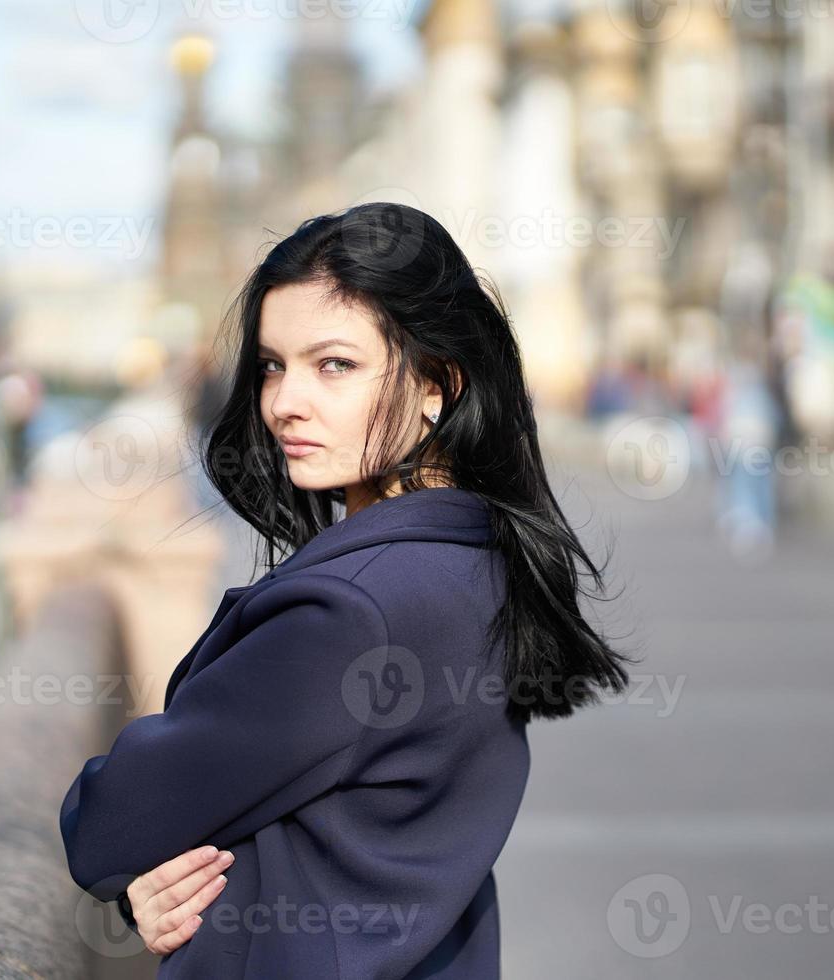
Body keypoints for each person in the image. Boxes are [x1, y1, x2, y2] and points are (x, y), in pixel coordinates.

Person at [58, 203, 635, 978]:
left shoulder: (352, 611)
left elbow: (107, 822)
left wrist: (140, 866)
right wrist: (151, 888)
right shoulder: (477, 558)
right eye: (271, 365)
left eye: (334, 365)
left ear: (437, 383)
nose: (283, 402)